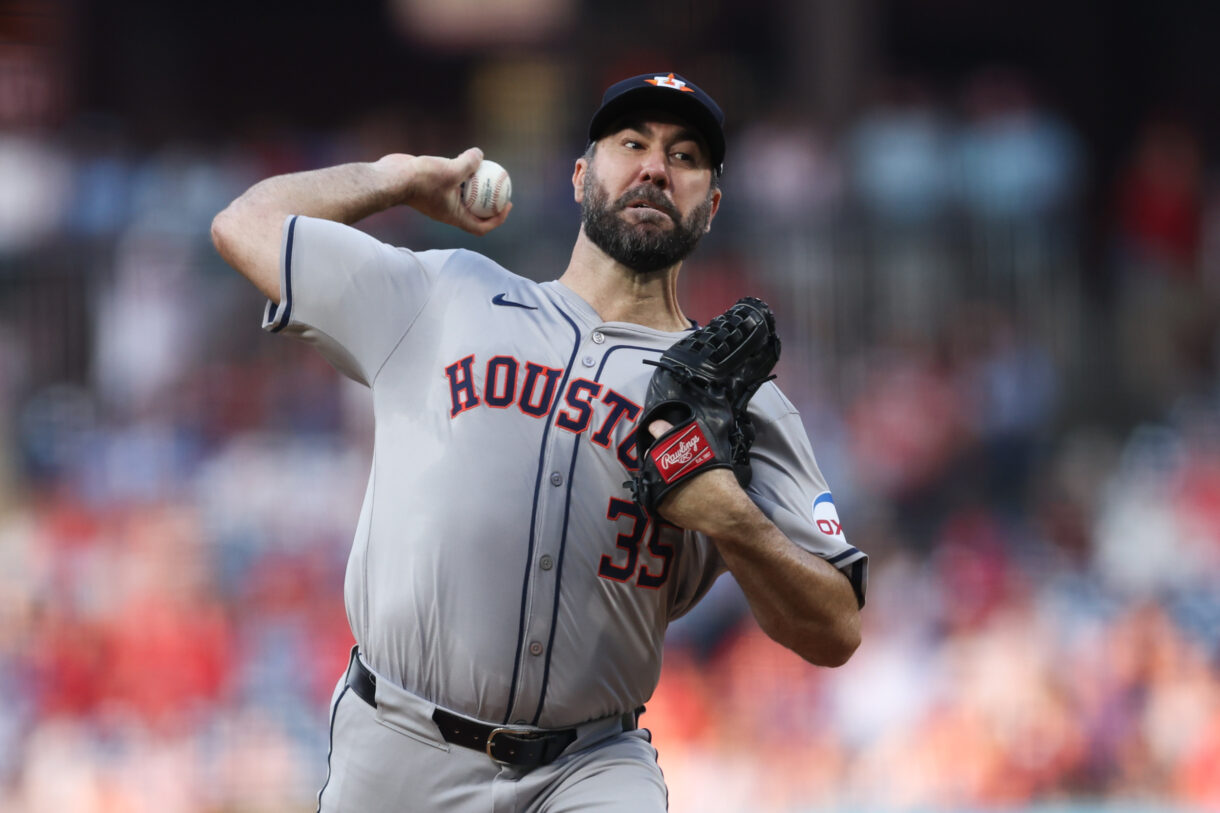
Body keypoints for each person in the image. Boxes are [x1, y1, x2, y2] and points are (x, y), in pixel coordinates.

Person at [211, 71, 867, 813]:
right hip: (396, 749)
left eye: (686, 156)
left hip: (588, 769)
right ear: (583, 175)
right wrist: (394, 180)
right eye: (633, 143)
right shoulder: (447, 292)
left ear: (710, 206)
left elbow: (835, 627)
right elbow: (244, 225)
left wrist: (730, 517)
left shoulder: (739, 398)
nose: (656, 166)